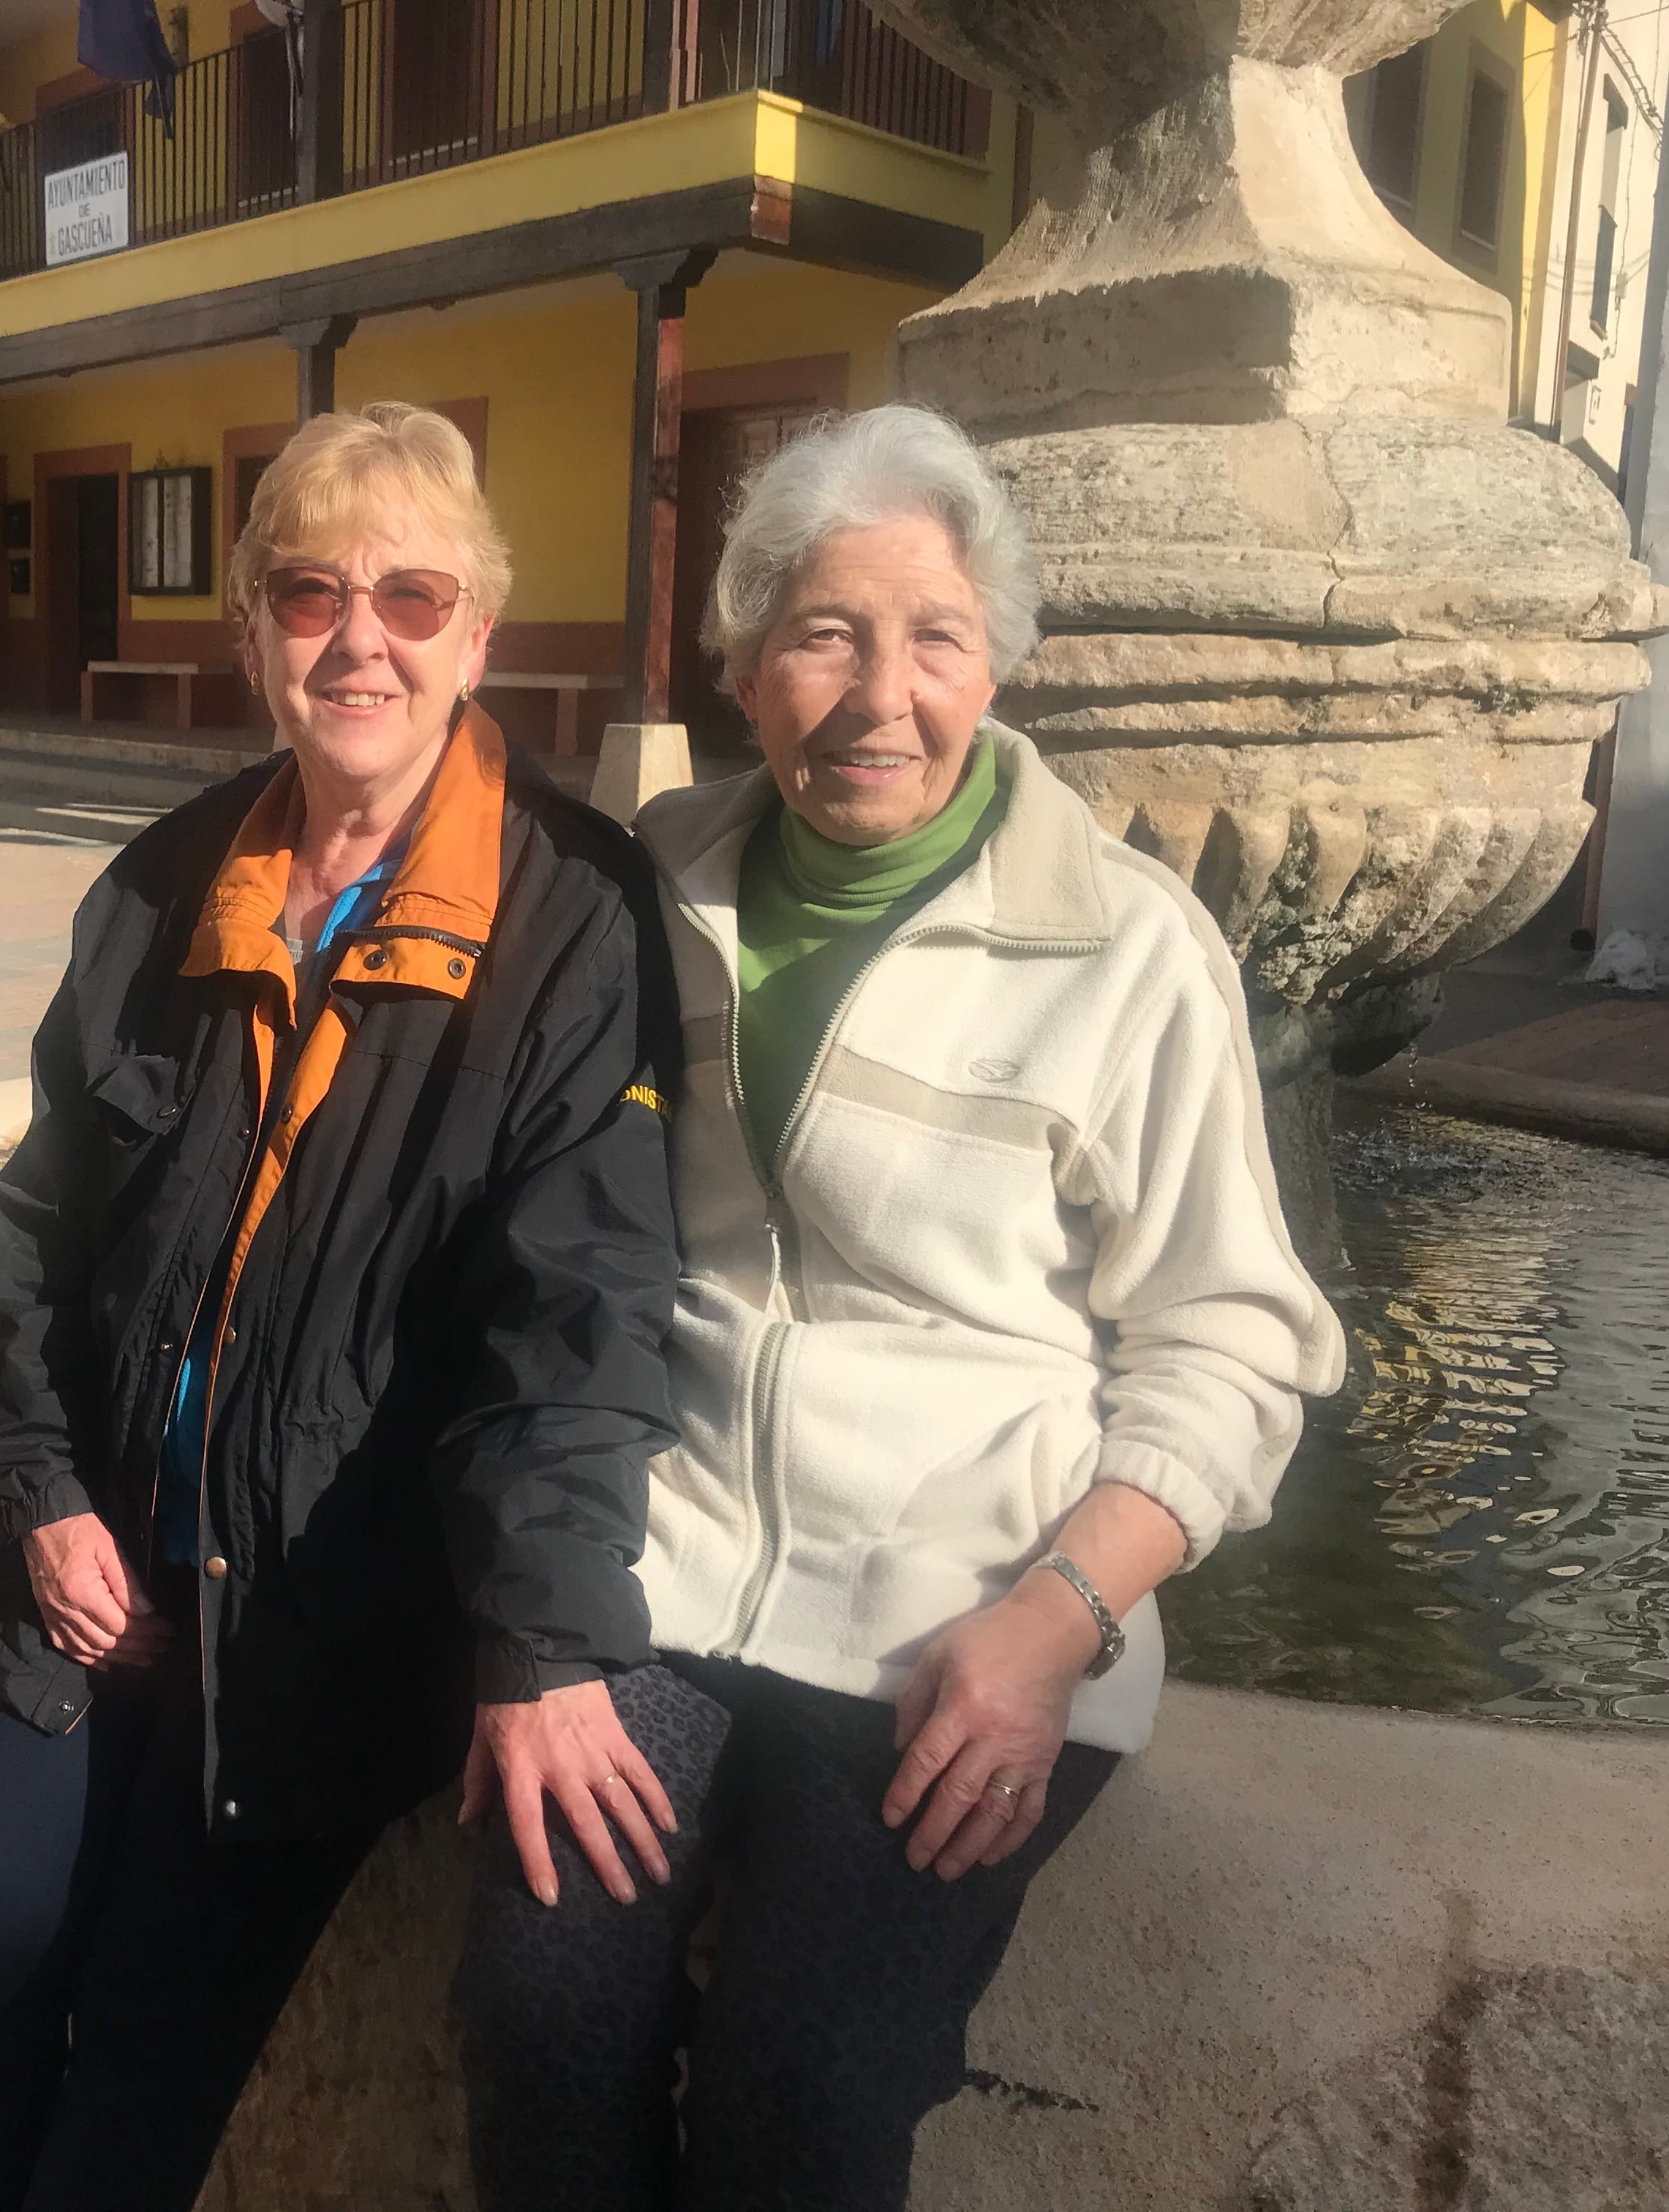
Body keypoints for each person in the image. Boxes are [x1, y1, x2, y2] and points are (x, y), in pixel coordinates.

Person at [455, 404, 1346, 2212]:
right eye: (824, 633)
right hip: (670, 1563)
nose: (881, 694)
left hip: (966, 1611)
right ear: (745, 663)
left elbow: (1235, 1343)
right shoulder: (657, 884)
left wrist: (1058, 1618)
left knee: (807, 2088)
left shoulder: (1125, 945)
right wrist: (533, 1628)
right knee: (539, 2015)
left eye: (935, 635)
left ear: (1000, 662)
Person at [0, 402, 686, 2212]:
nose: (362, 640)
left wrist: (547, 1637)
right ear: (252, 626)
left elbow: (574, 1307)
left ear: (480, 636)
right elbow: (38, 1222)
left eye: (414, 596)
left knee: (140, 2072)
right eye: (312, 591)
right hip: (91, 1588)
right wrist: (43, 1489)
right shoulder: (168, 882)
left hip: (311, 1642)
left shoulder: (575, 916)